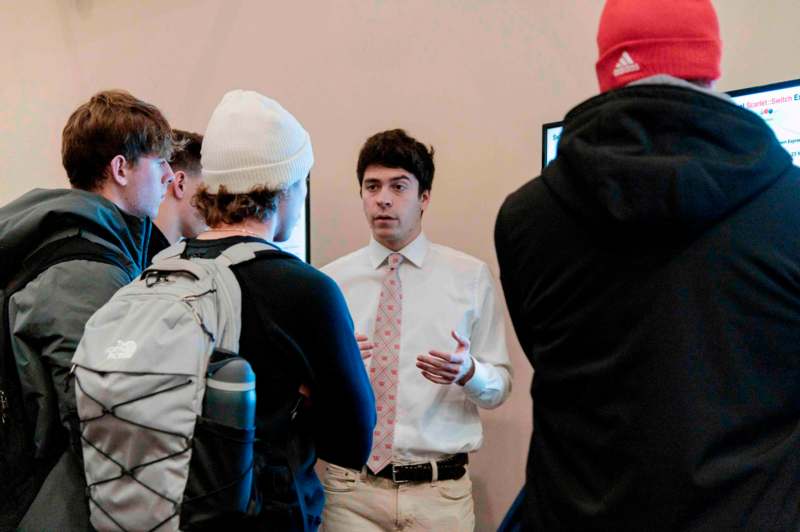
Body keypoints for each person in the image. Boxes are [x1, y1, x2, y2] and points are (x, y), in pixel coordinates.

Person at [494, 1, 800, 530]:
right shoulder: (791, 207)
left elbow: (540, 346)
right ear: (711, 67)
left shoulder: (524, 218)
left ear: (607, 73)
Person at [183, 89, 375, 530]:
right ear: (283, 185)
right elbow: (352, 443)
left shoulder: (160, 271)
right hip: (266, 515)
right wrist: (302, 396)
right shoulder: (306, 290)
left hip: (172, 508)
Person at [0, 89, 176, 529]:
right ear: (121, 168)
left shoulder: (59, 239)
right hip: (55, 504)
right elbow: (101, 422)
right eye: (159, 163)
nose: (170, 176)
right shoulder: (86, 271)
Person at [321, 129, 512, 531]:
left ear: (424, 198)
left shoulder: (469, 277)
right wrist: (331, 369)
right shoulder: (329, 282)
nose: (383, 198)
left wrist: (470, 373)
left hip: (439, 496)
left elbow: (501, 386)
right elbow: (308, 392)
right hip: (350, 491)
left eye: (398, 186)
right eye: (372, 186)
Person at [146, 129, 207, 263]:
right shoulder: (143, 262)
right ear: (180, 183)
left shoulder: (139, 249)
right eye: (207, 191)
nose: (215, 206)